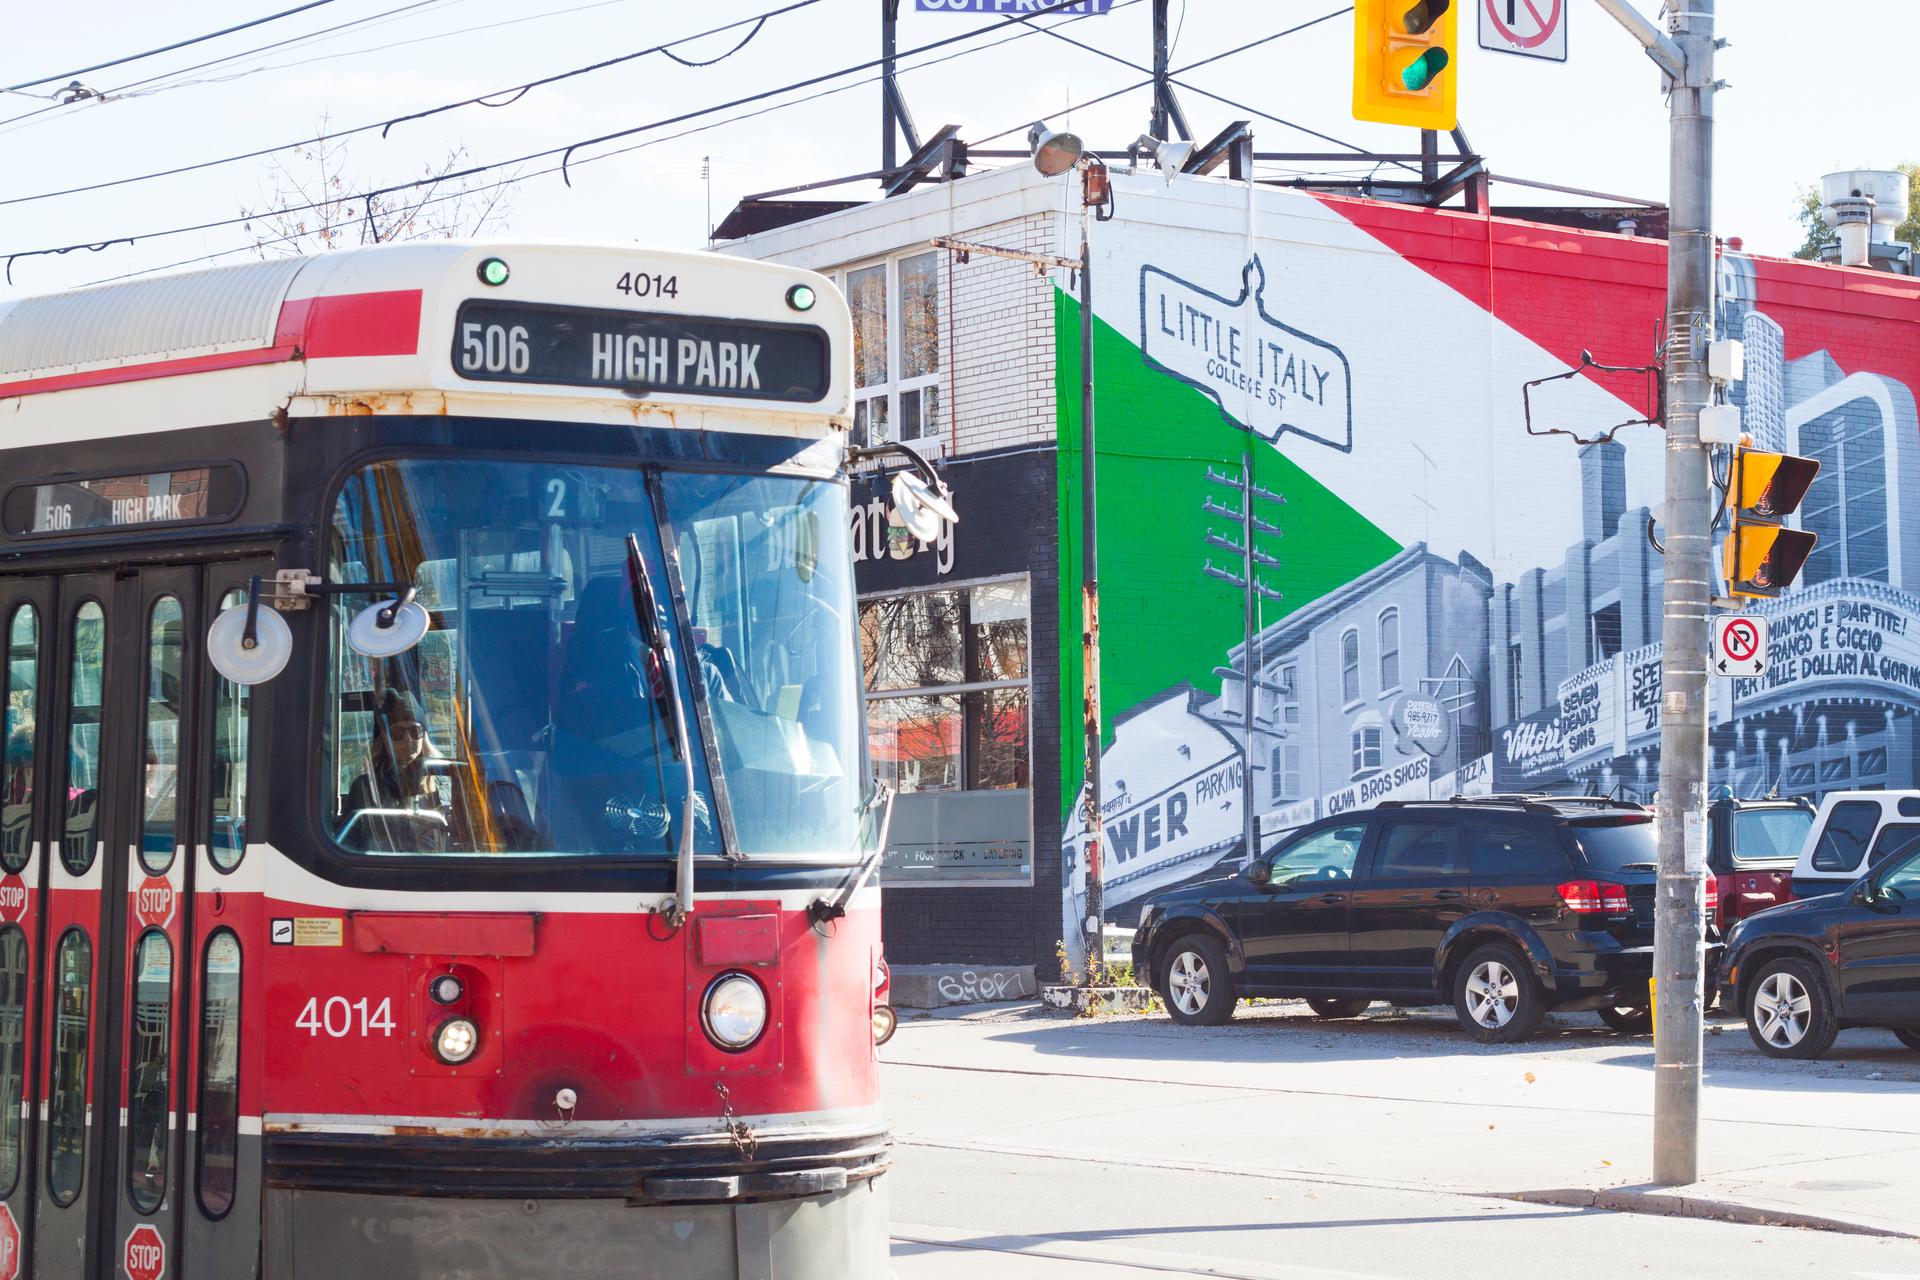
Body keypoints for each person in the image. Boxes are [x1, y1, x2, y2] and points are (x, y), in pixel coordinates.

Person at [342, 689, 447, 852]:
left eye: (415, 731)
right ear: (384, 739)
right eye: (397, 733)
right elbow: (352, 845)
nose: (408, 740)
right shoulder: (366, 788)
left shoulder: (443, 781)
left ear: (424, 736)